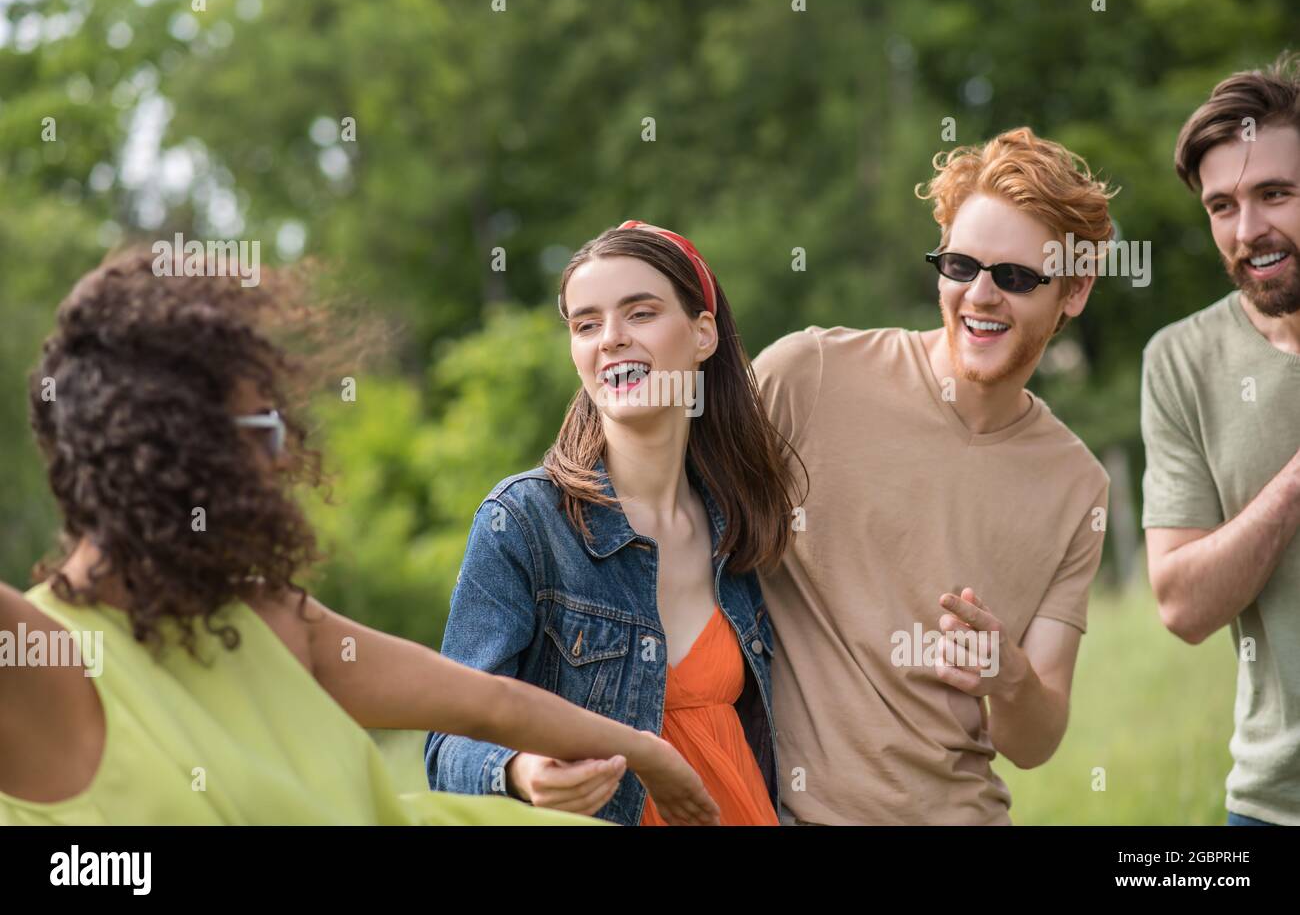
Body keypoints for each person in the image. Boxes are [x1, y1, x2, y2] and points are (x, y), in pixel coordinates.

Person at [0, 248, 719, 826]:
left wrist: (649, 756)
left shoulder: (266, 616)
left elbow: (491, 705)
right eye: (262, 428)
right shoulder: (46, 664)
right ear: (170, 444)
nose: (285, 457)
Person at [754, 128, 1112, 824]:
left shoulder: (1079, 486)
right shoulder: (806, 377)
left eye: (1015, 276)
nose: (980, 295)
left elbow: (1035, 741)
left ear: (1073, 291)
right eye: (960, 265)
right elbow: (665, 524)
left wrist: (1009, 680)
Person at [427, 221, 800, 825]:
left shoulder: (738, 526)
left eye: (641, 313)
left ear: (702, 334)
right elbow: (447, 746)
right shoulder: (524, 524)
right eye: (586, 324)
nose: (611, 340)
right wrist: (520, 771)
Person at [1143, 53, 1300, 827]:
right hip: (1272, 806)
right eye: (1222, 206)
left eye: (1276, 193)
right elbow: (1181, 604)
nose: (1249, 230)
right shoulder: (1182, 361)